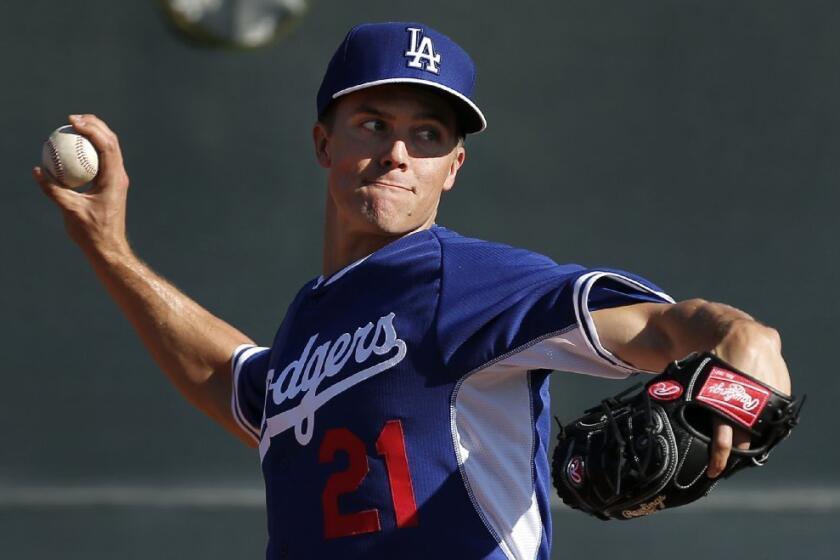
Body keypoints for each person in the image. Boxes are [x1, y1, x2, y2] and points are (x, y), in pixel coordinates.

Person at [34, 21, 791, 560]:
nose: (398, 153)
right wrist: (107, 248)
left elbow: (668, 331)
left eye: (428, 135)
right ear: (324, 143)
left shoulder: (464, 280)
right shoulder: (313, 323)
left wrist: (742, 353)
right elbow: (230, 378)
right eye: (372, 122)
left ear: (452, 167)